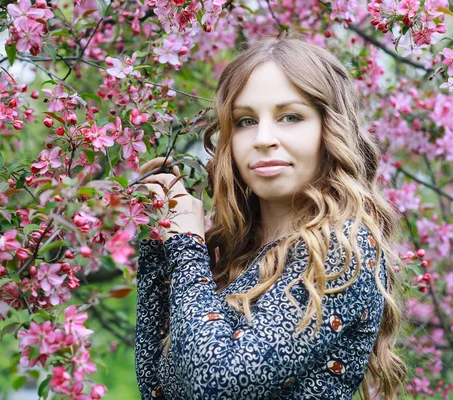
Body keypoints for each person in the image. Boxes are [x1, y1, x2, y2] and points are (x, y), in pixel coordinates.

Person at [134, 35, 408, 400]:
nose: (263, 138)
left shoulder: (342, 248)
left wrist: (186, 248)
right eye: (245, 121)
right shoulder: (231, 261)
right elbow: (155, 386)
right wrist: (161, 247)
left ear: (330, 129)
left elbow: (219, 384)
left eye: (290, 117)